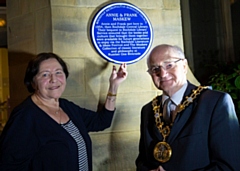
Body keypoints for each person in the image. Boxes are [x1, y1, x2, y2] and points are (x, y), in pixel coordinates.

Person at [0, 52, 128, 171]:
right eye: (45, 74)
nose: (53, 79)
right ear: (33, 82)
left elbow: (102, 121)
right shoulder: (25, 116)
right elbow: (8, 166)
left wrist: (113, 86)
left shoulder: (66, 106)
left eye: (58, 72)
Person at [135, 44, 240, 171]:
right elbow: (142, 162)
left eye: (169, 65)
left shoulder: (215, 103)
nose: (162, 74)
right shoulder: (147, 110)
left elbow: (228, 167)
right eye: (155, 69)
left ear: (184, 66)